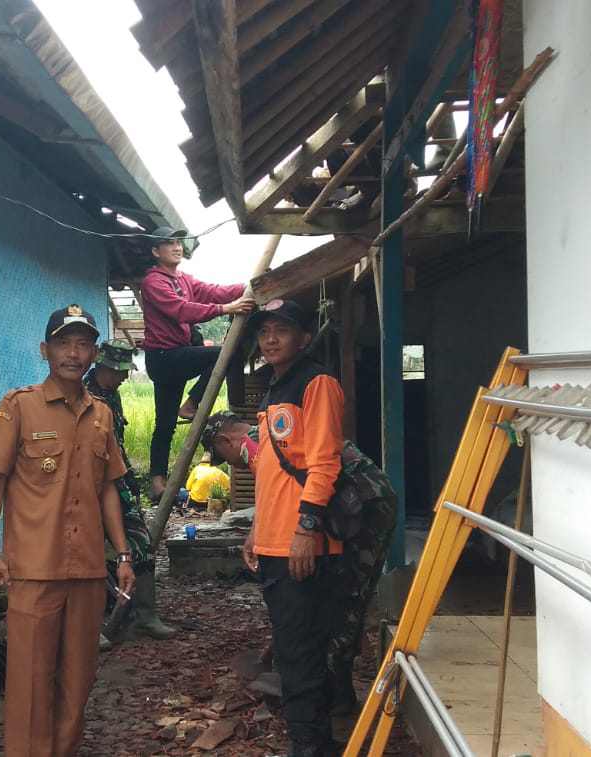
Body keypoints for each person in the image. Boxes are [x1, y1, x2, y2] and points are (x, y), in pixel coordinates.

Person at [0, 304, 138, 757]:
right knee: (30, 684)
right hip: (34, 571)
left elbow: (109, 490)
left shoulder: (102, 415)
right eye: (65, 342)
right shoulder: (19, 407)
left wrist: (122, 555)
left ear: (93, 353)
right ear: (45, 349)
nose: (74, 352)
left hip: (87, 571)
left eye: (84, 343)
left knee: (78, 683)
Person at [202, 410, 397, 716]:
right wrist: (256, 533)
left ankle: (336, 697)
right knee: (332, 597)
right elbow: (273, 495)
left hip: (366, 508)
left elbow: (294, 498)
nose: (230, 464)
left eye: (222, 455)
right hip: (352, 506)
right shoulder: (268, 435)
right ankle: (331, 688)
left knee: (346, 598)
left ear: (226, 440)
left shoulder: (254, 446)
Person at [242, 298, 345, 756]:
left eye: (282, 330)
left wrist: (306, 528)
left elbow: (325, 461)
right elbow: (273, 470)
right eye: (264, 331)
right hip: (274, 541)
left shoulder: (316, 382)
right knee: (294, 649)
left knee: (300, 654)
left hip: (301, 543)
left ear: (304, 337)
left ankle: (310, 747)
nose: (270, 338)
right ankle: (315, 740)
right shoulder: (274, 387)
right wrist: (256, 529)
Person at [137, 227, 254, 500]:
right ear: (156, 252)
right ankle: (192, 406)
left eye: (178, 242)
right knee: (223, 354)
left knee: (164, 424)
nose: (176, 247)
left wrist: (249, 287)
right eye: (169, 244)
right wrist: (225, 309)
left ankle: (157, 481)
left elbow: (214, 291)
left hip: (178, 355)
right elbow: (180, 309)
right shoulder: (154, 282)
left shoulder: (184, 279)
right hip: (164, 358)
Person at [83, 338, 178, 647]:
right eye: (119, 371)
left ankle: (145, 617)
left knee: (141, 543)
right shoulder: (82, 396)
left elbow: (116, 445)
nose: (124, 377)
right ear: (102, 366)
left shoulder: (112, 395)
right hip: (87, 488)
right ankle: (91, 626)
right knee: (89, 553)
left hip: (118, 485)